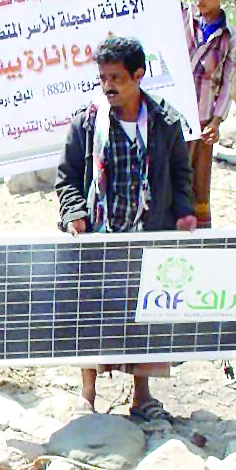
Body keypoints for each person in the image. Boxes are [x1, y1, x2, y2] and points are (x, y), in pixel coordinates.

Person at [55, 36, 197, 423]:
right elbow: (67, 177)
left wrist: (184, 213)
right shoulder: (88, 122)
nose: (108, 86)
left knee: (144, 315)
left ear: (139, 75)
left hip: (148, 234)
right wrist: (74, 213)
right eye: (103, 77)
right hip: (100, 236)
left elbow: (182, 177)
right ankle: (87, 395)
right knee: (91, 313)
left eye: (116, 77)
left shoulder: (166, 123)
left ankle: (142, 395)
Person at [183, 0, 236, 229]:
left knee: (199, 185)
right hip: (175, 118)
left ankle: (198, 241)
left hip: (204, 118)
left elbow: (228, 83)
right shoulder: (185, 19)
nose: (200, 0)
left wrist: (216, 122)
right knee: (171, 180)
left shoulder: (231, 37)